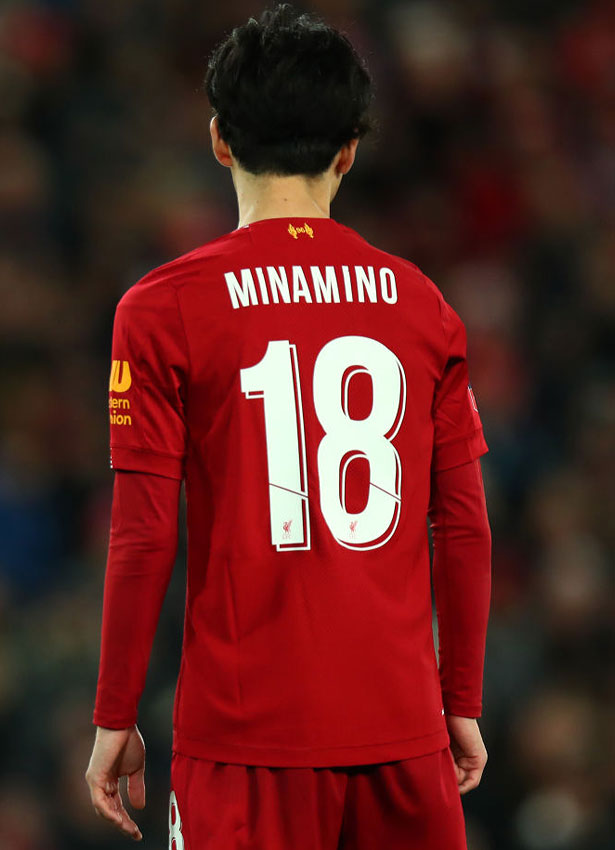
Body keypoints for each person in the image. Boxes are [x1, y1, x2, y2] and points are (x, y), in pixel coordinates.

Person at [85, 5, 491, 848]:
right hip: (402, 734)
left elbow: (143, 533)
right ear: (349, 151)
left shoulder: (161, 309)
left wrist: (115, 713)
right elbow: (461, 524)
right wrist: (459, 699)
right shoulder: (421, 304)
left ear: (218, 140)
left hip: (244, 740)